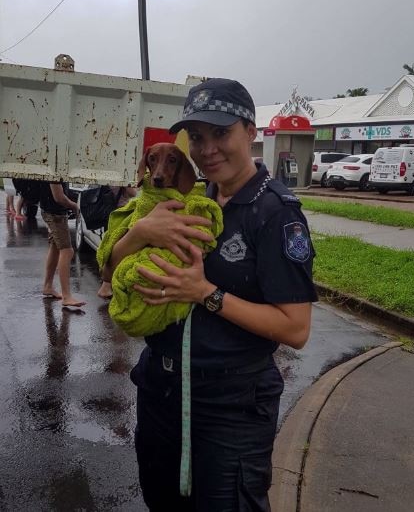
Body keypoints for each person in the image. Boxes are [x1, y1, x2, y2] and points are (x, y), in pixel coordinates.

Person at [102, 78, 318, 511]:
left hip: (230, 405)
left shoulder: (274, 213)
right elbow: (108, 268)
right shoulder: (191, 200)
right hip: (160, 389)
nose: (207, 149)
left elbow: (295, 330)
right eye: (197, 137)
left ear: (250, 132)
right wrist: (139, 233)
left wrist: (206, 293)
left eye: (221, 133)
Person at [39, 181, 86, 308]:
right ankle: (66, 296)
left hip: (53, 212)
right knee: (67, 251)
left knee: (55, 247)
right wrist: (75, 206)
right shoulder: (54, 168)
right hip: (55, 214)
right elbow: (58, 197)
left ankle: (48, 286)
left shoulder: (54, 166)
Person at [97, 185, 137, 299]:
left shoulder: (111, 174)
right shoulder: (123, 176)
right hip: (120, 214)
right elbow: (133, 193)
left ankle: (106, 286)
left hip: (110, 213)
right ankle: (106, 287)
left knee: (109, 248)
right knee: (116, 251)